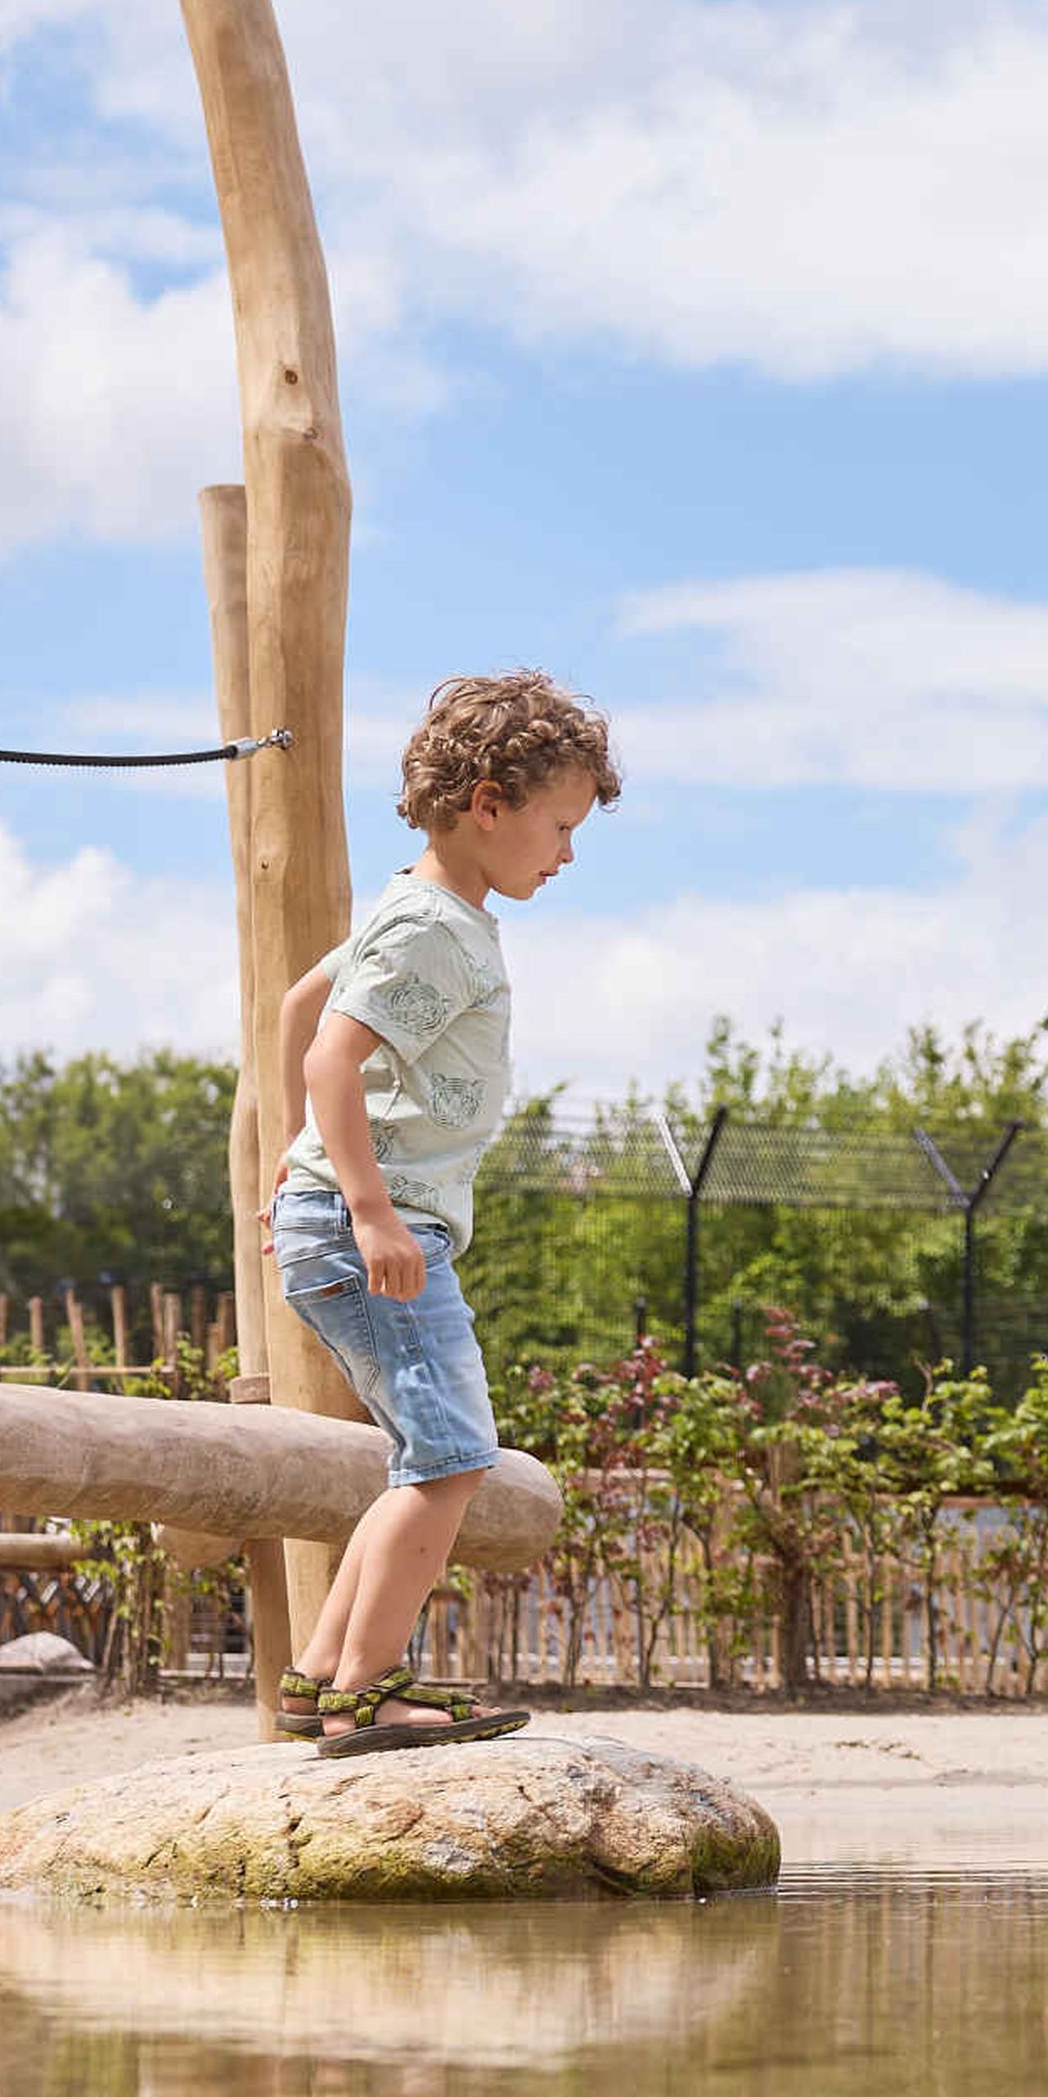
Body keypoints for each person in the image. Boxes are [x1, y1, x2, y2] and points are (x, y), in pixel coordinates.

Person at [264, 669, 620, 1754]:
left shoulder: (421, 912)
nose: (568, 854)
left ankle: (320, 1678)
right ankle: (366, 1691)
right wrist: (362, 1203)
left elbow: (300, 1007)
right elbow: (331, 1055)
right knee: (454, 1460)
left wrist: (303, 1160)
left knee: (430, 1457)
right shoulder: (430, 927)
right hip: (381, 1226)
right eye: (561, 826)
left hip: (353, 1215)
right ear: (489, 804)